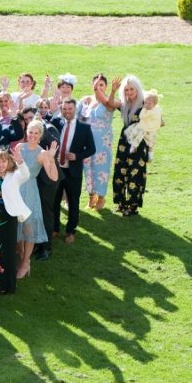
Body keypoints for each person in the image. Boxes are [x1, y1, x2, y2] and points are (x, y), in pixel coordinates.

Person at [48, 98, 96, 243]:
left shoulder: (84, 128)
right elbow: (42, 123)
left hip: (73, 171)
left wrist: (77, 156)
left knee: (73, 202)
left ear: (75, 109)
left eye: (70, 109)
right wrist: (51, 111)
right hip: (56, 170)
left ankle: (70, 231)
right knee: (54, 201)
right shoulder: (57, 122)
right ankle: (55, 229)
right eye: (64, 109)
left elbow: (92, 149)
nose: (67, 111)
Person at [15, 121, 59, 278]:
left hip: (30, 191)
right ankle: (22, 259)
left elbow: (54, 177)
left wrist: (51, 158)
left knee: (28, 230)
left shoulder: (42, 154)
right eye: (30, 132)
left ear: (40, 135)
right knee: (17, 229)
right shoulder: (20, 148)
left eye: (36, 133)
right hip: (16, 190)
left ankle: (26, 262)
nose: (32, 136)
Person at [0, 145, 30, 294]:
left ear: (9, 162)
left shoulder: (14, 174)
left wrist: (20, 161)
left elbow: (26, 175)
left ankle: (8, 286)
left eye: (4, 161)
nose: (0, 164)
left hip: (7, 218)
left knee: (7, 253)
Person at [107, 75, 149, 217]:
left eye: (131, 89)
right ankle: (121, 202)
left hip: (139, 143)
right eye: (126, 90)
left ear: (137, 89)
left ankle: (133, 206)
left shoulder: (145, 104)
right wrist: (113, 90)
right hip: (124, 142)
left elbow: (160, 121)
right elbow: (111, 102)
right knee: (120, 171)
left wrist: (143, 128)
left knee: (135, 174)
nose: (129, 92)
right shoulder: (124, 105)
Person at [78, 74, 119, 210]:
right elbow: (78, 117)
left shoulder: (109, 100)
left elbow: (109, 106)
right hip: (87, 139)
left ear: (106, 86)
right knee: (87, 166)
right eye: (96, 85)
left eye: (101, 85)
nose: (99, 87)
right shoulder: (86, 100)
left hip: (103, 140)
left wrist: (102, 91)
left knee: (101, 168)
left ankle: (101, 197)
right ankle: (91, 196)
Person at [124, 89, 163, 163]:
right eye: (145, 103)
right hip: (153, 129)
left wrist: (144, 109)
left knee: (136, 134)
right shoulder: (157, 108)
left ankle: (133, 146)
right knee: (151, 141)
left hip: (144, 127)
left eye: (149, 104)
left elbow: (141, 116)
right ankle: (150, 154)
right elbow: (160, 114)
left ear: (155, 104)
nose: (147, 105)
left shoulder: (148, 111)